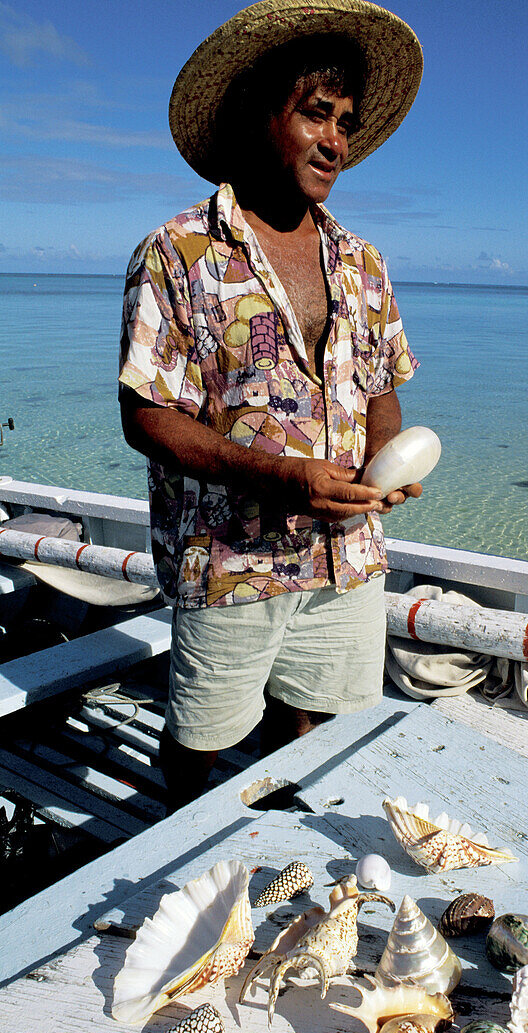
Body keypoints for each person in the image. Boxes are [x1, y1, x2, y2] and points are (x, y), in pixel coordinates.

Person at [118, 0, 424, 809]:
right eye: (316, 115)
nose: (337, 143)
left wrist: (382, 472)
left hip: (345, 554)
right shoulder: (178, 251)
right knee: (200, 743)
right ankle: (176, 863)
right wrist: (280, 477)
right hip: (229, 563)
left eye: (346, 122)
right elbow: (146, 413)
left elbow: (382, 388)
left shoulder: (363, 261)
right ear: (261, 116)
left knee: (314, 738)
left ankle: (284, 873)